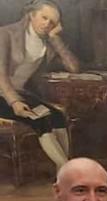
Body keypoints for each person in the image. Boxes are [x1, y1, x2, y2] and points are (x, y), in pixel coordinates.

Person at [0, 0, 81, 170]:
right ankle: (68, 171)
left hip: (20, 92)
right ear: (31, 15)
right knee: (40, 120)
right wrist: (14, 102)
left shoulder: (47, 42)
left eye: (52, 22)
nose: (47, 24)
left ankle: (62, 172)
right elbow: (1, 75)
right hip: (4, 94)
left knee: (57, 117)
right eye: (44, 18)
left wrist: (55, 37)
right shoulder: (6, 34)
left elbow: (74, 67)